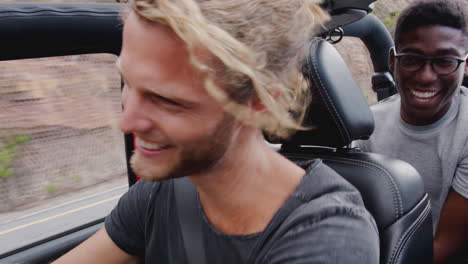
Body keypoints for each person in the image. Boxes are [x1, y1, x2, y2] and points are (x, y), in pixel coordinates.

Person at [54, 0, 379, 263]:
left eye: (166, 100)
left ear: (258, 102)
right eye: (129, 84)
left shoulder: (329, 237)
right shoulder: (163, 190)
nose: (127, 123)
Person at [354, 0, 468, 262]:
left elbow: (443, 247)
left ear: (466, 65)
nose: (426, 76)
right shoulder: (367, 126)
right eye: (413, 59)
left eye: (444, 61)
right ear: (393, 61)